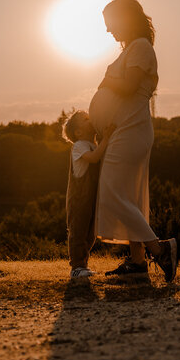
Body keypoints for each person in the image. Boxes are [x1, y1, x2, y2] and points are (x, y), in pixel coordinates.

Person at [88, 0, 178, 281]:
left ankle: (160, 250)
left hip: (132, 130)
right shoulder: (134, 49)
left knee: (112, 192)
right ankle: (138, 262)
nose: (107, 31)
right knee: (127, 196)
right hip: (125, 129)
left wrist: (106, 79)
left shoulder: (140, 47)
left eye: (110, 23)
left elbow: (128, 87)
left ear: (124, 18)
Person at [61, 111, 115, 279]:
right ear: (78, 132)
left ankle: (83, 264)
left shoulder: (92, 144)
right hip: (78, 199)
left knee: (90, 233)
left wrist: (102, 140)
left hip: (91, 198)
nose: (91, 119)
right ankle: (76, 266)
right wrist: (106, 139)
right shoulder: (79, 146)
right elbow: (93, 158)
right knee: (78, 231)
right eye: (86, 119)